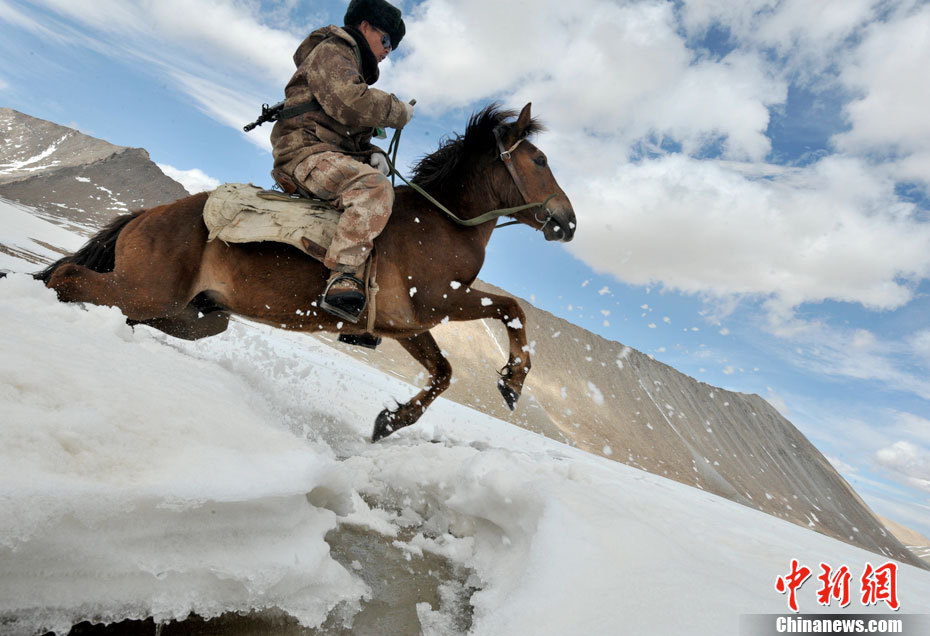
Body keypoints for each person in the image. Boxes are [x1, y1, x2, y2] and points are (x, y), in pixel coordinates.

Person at [270, 0, 414, 323]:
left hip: (324, 153)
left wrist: (371, 153)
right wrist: (397, 111)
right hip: (304, 154)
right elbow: (348, 102)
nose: (388, 51)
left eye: (393, 46)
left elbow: (347, 134)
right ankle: (342, 278)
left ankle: (361, 315)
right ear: (365, 27)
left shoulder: (352, 67)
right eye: (387, 40)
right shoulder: (333, 50)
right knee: (373, 188)